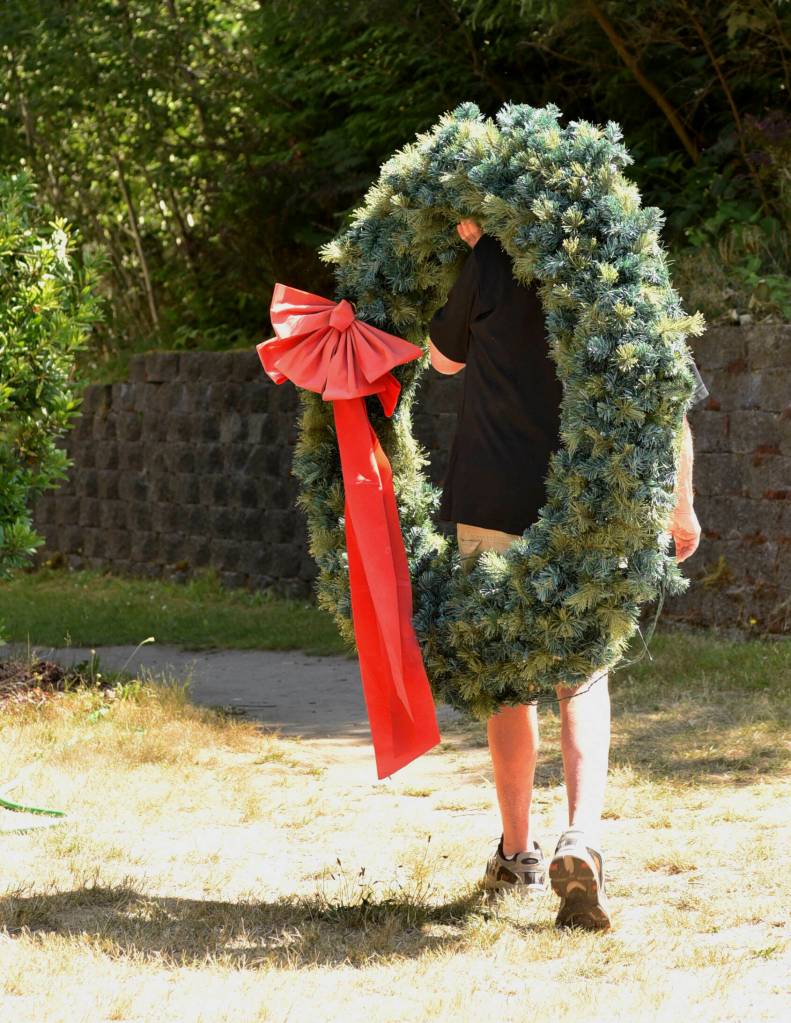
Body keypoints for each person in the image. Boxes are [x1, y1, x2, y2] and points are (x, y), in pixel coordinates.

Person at [428, 219, 708, 931]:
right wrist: (681, 503)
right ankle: (580, 838)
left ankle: (516, 852)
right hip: (590, 503)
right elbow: (668, 396)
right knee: (582, 672)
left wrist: (475, 263)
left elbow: (441, 360)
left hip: (492, 494)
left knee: (506, 677)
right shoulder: (625, 259)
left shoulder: (495, 254)